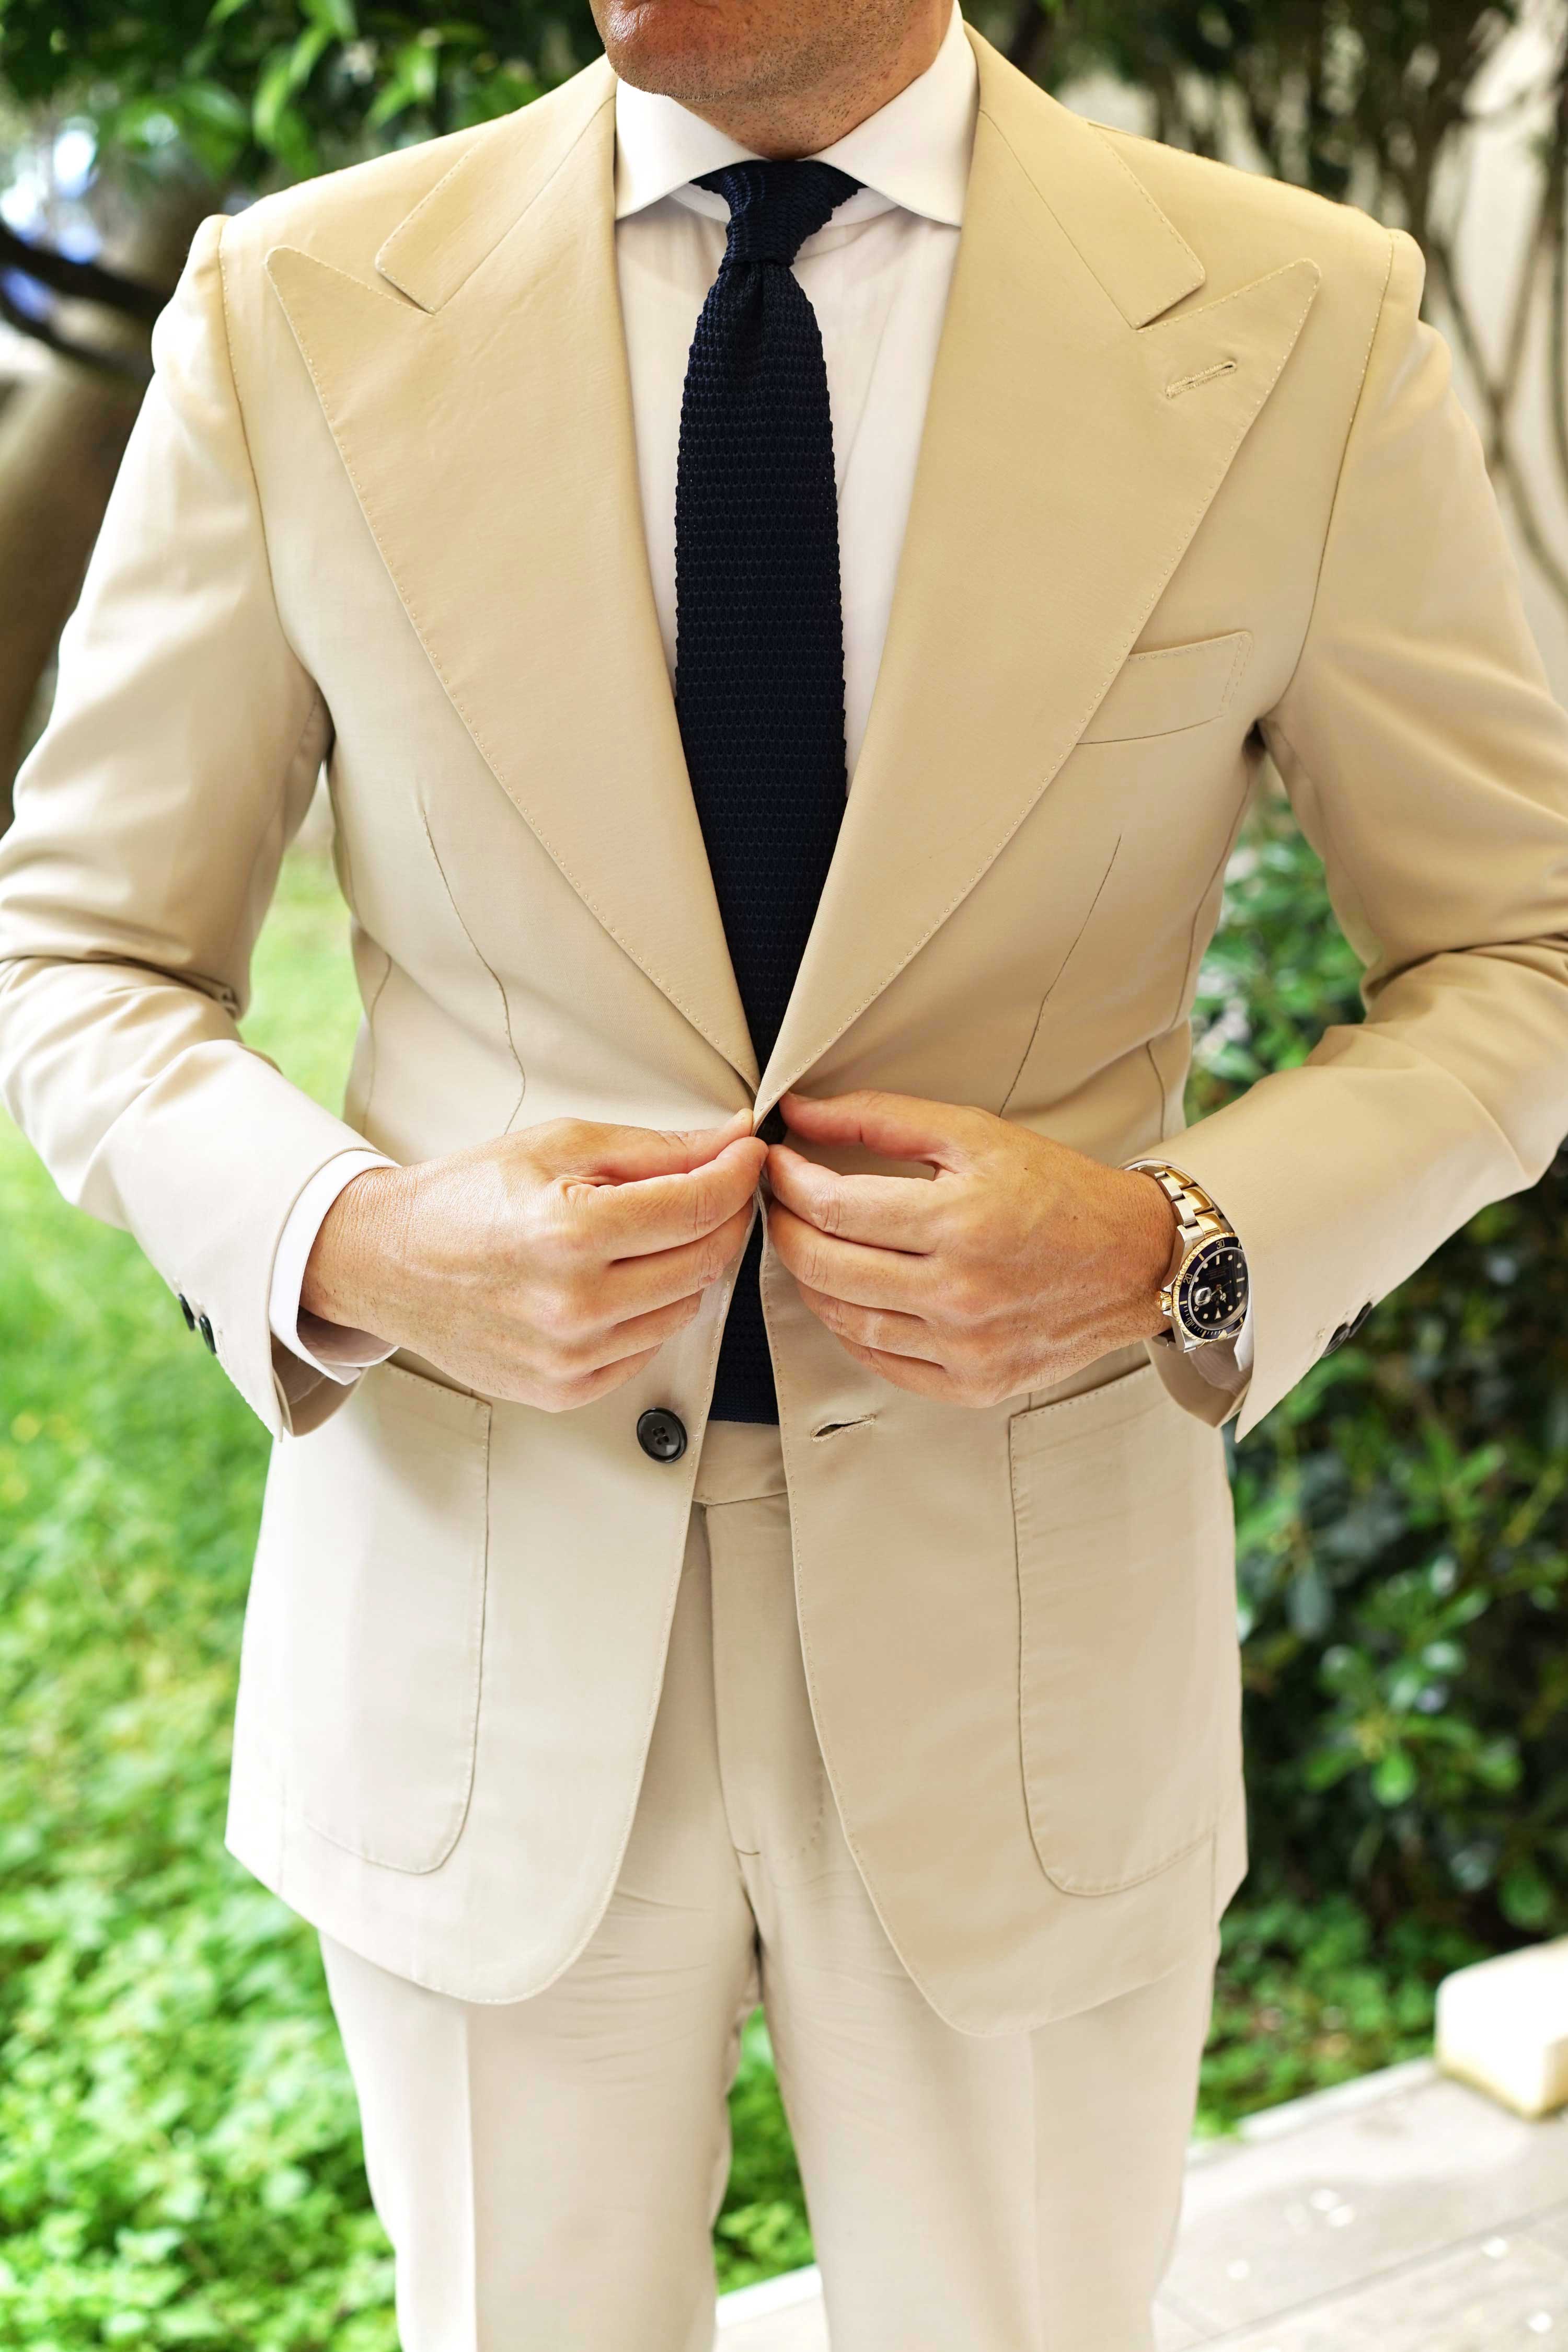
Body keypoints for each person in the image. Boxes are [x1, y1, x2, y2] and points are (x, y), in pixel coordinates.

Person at [5, 0, 1568, 2342]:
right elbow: (82, 952)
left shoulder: (1296, 320)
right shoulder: (296, 301)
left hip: (1025, 1639)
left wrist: (1181, 1243)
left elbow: (1518, 947)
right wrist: (355, 1241)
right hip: (477, 1634)